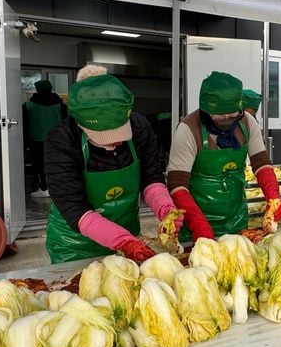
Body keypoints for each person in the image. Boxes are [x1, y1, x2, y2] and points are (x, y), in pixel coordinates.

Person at [44, 73, 180, 264]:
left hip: (128, 232)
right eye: (104, 136)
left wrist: (165, 207)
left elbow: (151, 178)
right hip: (75, 245)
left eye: (120, 132)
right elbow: (73, 206)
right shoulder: (62, 141)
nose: (116, 141)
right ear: (80, 124)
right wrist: (122, 242)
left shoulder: (140, 128)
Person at [167, 71, 281, 240]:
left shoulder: (247, 122)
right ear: (206, 110)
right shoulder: (188, 129)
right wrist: (197, 223)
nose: (228, 119)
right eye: (222, 116)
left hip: (237, 220)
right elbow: (177, 184)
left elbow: (261, 163)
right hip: (197, 221)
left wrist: (273, 195)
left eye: (233, 115)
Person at [23, 79, 67, 198]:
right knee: (56, 164)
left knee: (39, 164)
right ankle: (56, 187)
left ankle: (43, 187)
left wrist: (25, 143)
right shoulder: (60, 105)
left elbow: (25, 126)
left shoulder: (29, 105)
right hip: (57, 140)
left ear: (37, 89)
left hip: (37, 140)